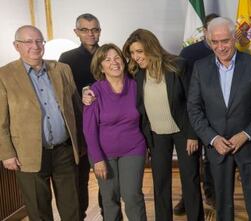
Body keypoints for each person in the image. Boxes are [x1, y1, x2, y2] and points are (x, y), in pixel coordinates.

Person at [83, 29, 204, 221]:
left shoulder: (179, 66)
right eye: (132, 53)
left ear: (151, 48)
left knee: (190, 180)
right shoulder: (137, 74)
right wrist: (86, 92)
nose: (135, 57)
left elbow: (193, 101)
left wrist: (193, 134)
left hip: (183, 132)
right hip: (156, 136)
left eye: (139, 51)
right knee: (160, 183)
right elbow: (107, 85)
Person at [187, 17, 251, 221]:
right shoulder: (200, 68)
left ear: (234, 38)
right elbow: (194, 108)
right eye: (215, 42)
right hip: (217, 149)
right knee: (222, 207)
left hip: (250, 146)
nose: (220, 47)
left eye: (225, 41)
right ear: (209, 42)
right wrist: (213, 139)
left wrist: (246, 134)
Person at [0, 25, 83, 221]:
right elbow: (1, 120)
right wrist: (7, 154)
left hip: (64, 150)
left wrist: (81, 143)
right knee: (38, 210)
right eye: (28, 42)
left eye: (39, 41)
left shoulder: (62, 69)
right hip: (27, 154)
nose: (35, 46)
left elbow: (76, 109)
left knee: (72, 208)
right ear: (16, 46)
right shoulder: (4, 75)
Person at [83, 43, 147, 221]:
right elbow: (89, 129)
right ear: (100, 66)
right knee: (110, 199)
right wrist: (97, 159)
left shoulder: (136, 86)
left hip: (133, 149)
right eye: (107, 59)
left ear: (124, 61)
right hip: (103, 154)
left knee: (132, 196)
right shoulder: (93, 92)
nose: (114, 62)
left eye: (117, 57)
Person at [174, 13, 219, 215]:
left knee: (214, 158)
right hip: (190, 115)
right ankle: (188, 197)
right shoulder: (189, 52)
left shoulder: (226, 50)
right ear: (204, 31)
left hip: (217, 116)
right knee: (190, 162)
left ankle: (213, 194)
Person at [58, 13, 101, 219]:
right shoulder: (67, 59)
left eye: (95, 29)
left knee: (107, 176)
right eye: (85, 29)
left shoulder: (108, 54)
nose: (90, 33)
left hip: (106, 124)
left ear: (99, 31)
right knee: (80, 177)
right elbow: (65, 95)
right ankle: (81, 216)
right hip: (81, 127)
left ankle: (109, 213)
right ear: (77, 32)